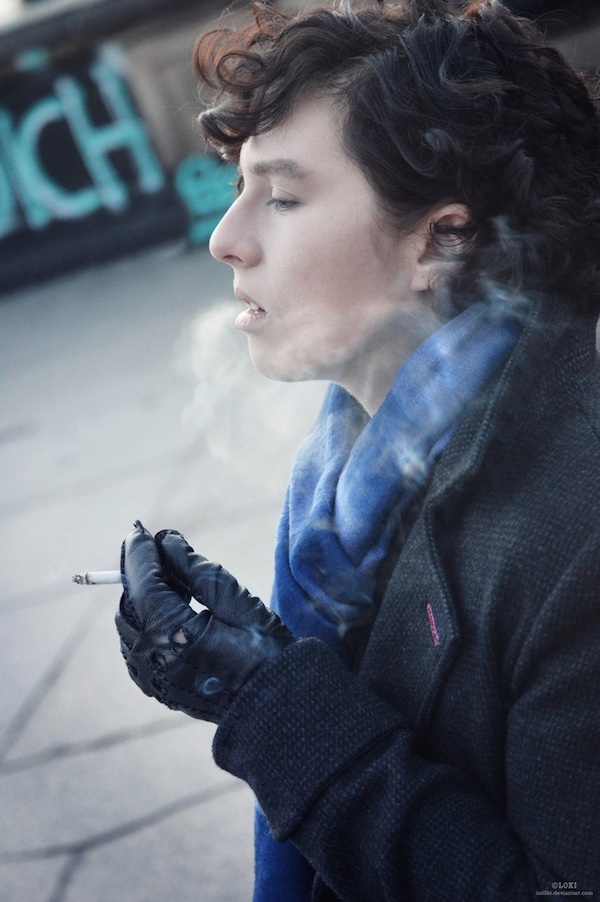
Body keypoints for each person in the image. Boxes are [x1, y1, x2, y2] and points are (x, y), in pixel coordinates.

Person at [115, 0, 600, 898]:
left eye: (283, 197)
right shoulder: (346, 473)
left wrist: (269, 703)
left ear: (443, 237)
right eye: (238, 188)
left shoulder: (580, 533)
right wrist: (257, 667)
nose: (226, 240)